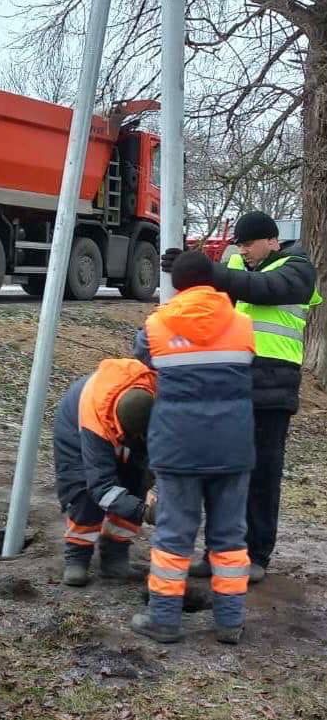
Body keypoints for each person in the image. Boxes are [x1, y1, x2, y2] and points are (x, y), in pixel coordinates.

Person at [162, 211, 322, 582]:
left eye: (249, 244)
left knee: (261, 477)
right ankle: (218, 553)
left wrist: (208, 271)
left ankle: (255, 557)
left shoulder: (297, 268)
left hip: (271, 390)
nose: (244, 251)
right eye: (240, 245)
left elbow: (264, 288)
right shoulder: (235, 266)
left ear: (272, 240)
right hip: (228, 384)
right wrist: (188, 270)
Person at [131, 251, 255, 645]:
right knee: (230, 537)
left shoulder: (157, 325)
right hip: (232, 446)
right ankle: (229, 623)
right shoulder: (242, 324)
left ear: (177, 284)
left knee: (173, 535)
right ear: (213, 279)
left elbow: (142, 356)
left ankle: (164, 620)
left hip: (178, 447)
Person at [53, 358, 156, 587]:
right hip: (75, 431)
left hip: (127, 421)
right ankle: (77, 558)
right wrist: (145, 512)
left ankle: (115, 556)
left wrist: (150, 484)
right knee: (84, 491)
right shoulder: (95, 422)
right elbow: (101, 487)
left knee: (137, 482)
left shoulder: (153, 396)